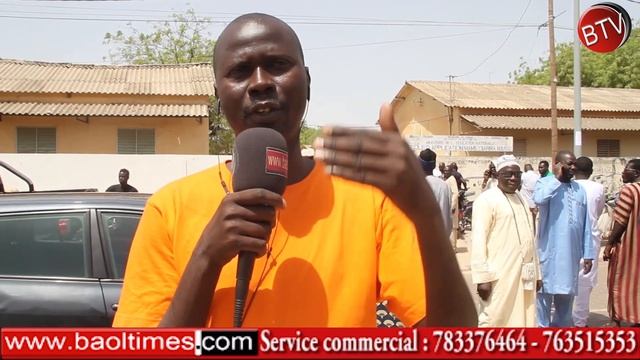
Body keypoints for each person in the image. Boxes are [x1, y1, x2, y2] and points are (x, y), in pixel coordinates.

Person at [113, 13, 476, 328]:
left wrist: (425, 214)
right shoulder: (169, 208)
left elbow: (452, 340)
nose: (260, 83)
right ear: (219, 96)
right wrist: (206, 260)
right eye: (240, 72)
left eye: (277, 65)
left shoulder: (369, 200)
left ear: (307, 83)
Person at [471, 155, 539, 327]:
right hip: (499, 274)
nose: (514, 178)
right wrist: (482, 278)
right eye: (508, 174)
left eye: (517, 174)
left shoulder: (523, 199)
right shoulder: (486, 200)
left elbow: (531, 237)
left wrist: (538, 274)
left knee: (524, 317)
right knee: (494, 318)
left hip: (524, 274)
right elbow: (478, 240)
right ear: (498, 175)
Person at [534, 150, 595, 327]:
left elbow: (585, 224)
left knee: (565, 301)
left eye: (574, 163)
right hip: (549, 253)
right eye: (569, 163)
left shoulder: (579, 189)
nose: (573, 167)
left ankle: (560, 338)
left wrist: (588, 253)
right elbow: (539, 198)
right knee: (544, 299)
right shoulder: (544, 183)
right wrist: (557, 180)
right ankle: (543, 337)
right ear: (557, 165)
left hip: (571, 255)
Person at [604, 159, 640, 326]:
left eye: (626, 169)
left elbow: (621, 221)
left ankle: (616, 319)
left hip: (627, 246)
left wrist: (610, 243)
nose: (623, 172)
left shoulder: (629, 190)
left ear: (636, 173)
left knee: (617, 280)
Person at [572, 156, 605, 327]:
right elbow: (598, 212)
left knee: (565, 278)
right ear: (591, 172)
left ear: (574, 170)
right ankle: (580, 322)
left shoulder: (568, 186)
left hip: (569, 238)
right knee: (585, 282)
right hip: (591, 238)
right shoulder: (598, 188)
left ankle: (558, 318)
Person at [419, 148, 452, 236]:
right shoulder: (444, 186)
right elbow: (446, 219)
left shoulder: (413, 184)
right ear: (434, 166)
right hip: (438, 241)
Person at [444, 165, 459, 251]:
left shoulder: (452, 179)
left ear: (451, 171)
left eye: (447, 171)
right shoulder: (447, 179)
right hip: (448, 205)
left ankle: (453, 247)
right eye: (445, 171)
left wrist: (452, 206)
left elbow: (455, 193)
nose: (445, 172)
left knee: (453, 227)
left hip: (452, 207)